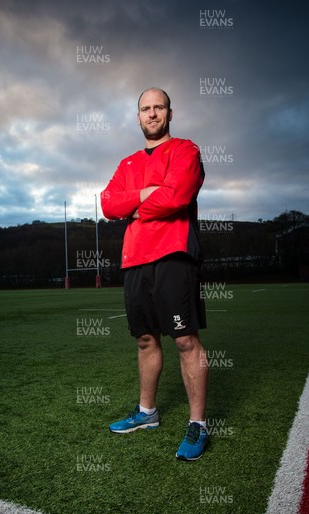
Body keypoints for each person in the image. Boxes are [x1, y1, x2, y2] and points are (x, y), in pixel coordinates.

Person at [100, 87, 209, 461]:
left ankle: (198, 424)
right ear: (138, 116)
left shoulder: (185, 150)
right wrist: (145, 193)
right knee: (145, 340)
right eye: (145, 109)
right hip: (135, 260)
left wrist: (136, 206)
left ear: (169, 113)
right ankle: (147, 413)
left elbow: (177, 196)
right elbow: (107, 203)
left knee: (184, 340)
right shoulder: (128, 163)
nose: (152, 114)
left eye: (158, 107)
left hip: (174, 254)